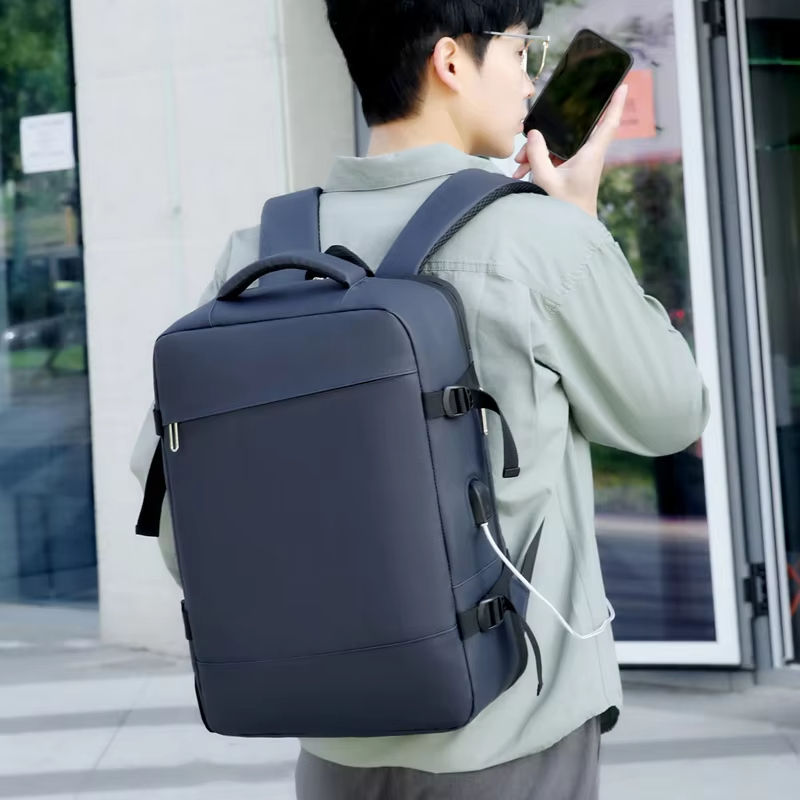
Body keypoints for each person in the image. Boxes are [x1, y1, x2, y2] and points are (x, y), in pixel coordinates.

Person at [130, 1, 710, 797]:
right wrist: (582, 221)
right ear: (451, 62)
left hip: (334, 744)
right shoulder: (536, 238)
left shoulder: (258, 254)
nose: (529, 80)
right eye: (520, 52)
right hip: (512, 735)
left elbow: (175, 508)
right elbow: (671, 412)